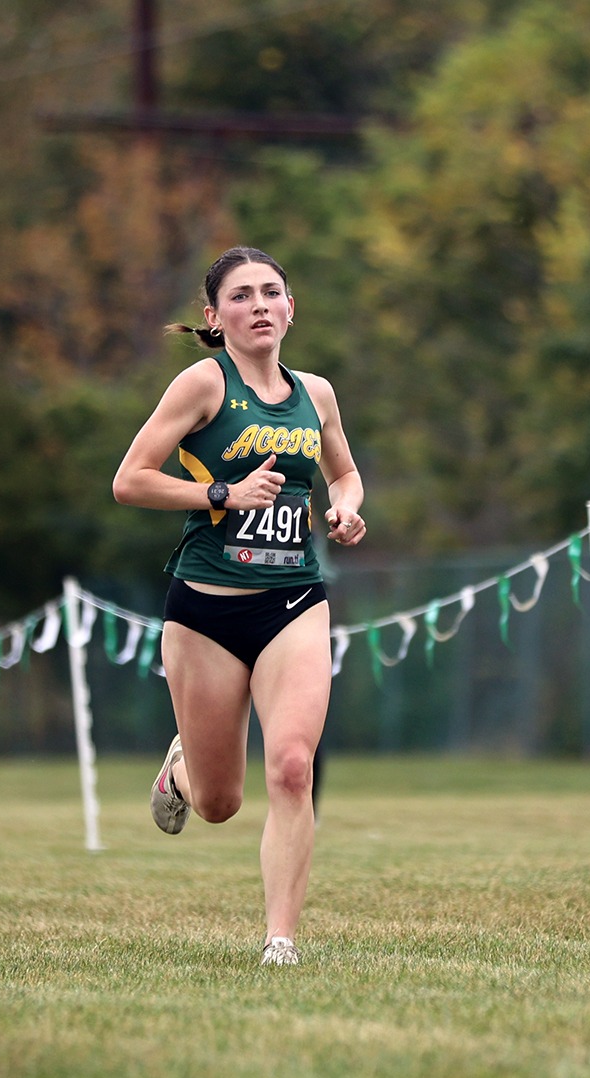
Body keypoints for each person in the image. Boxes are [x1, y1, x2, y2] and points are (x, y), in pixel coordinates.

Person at [112, 246, 367, 966]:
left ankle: (280, 941)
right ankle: (182, 769)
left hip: (293, 603)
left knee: (291, 766)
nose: (259, 305)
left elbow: (344, 473)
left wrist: (345, 509)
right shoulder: (202, 384)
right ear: (215, 317)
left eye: (271, 292)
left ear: (291, 308)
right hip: (206, 612)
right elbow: (130, 481)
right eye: (242, 295)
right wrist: (219, 494)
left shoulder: (316, 392)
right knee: (220, 803)